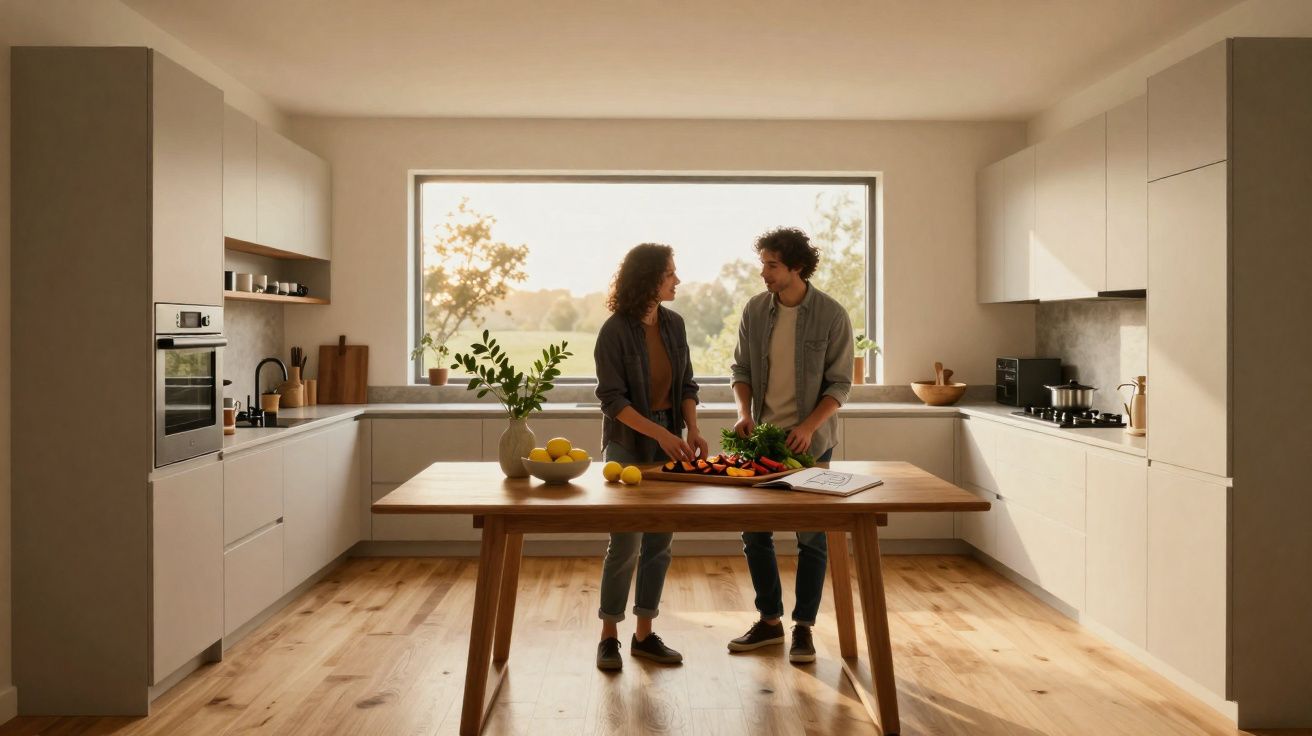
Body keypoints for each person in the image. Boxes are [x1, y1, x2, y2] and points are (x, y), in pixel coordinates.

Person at [726, 227, 854, 664]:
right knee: (754, 533)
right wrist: (744, 412)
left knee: (811, 537)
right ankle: (769, 622)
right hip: (761, 440)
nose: (764, 273)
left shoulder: (832, 315)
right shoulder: (755, 310)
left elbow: (840, 384)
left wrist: (808, 426)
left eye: (772, 265)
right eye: (763, 264)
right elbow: (741, 369)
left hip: (812, 443)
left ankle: (804, 628)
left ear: (797, 267)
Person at [592, 243, 710, 671]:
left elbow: (687, 385)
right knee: (625, 542)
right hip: (629, 442)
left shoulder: (674, 325)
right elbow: (613, 401)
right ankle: (608, 637)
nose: (677, 280)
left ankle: (644, 635)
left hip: (670, 437)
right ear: (649, 278)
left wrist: (692, 428)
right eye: (670, 273)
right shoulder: (614, 331)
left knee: (660, 541)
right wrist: (661, 433)